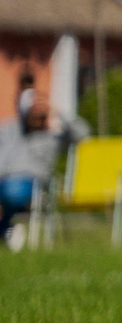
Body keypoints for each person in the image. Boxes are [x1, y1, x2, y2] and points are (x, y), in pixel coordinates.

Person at [0, 101, 88, 248]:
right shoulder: (15, 135)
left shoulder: (53, 139)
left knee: (13, 191)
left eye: (40, 115)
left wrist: (61, 112)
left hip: (28, 185)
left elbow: (82, 134)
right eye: (32, 114)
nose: (36, 118)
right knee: (9, 191)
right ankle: (7, 230)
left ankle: (6, 229)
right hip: (4, 181)